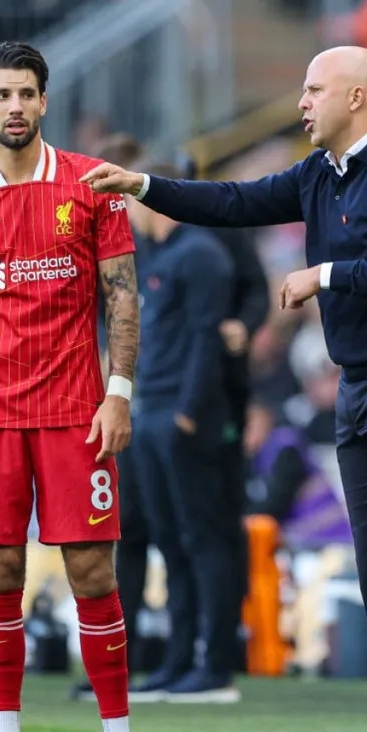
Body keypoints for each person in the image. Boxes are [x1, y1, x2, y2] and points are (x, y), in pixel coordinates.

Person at [82, 45, 367, 732]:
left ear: (356, 97)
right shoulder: (322, 173)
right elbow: (235, 201)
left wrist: (325, 274)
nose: (301, 102)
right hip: (361, 383)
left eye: (314, 89)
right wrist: (145, 184)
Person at [0, 41, 164, 732]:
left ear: (44, 101)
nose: (16, 106)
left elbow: (122, 296)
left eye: (27, 93)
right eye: (2, 95)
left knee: (92, 570)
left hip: (75, 411)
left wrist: (119, 392)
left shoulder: (91, 185)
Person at [123, 162, 242, 702]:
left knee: (202, 537)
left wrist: (188, 412)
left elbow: (203, 337)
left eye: (131, 200)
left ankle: (213, 663)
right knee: (170, 540)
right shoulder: (161, 256)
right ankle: (177, 659)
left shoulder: (200, 254)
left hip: (181, 414)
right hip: (151, 410)